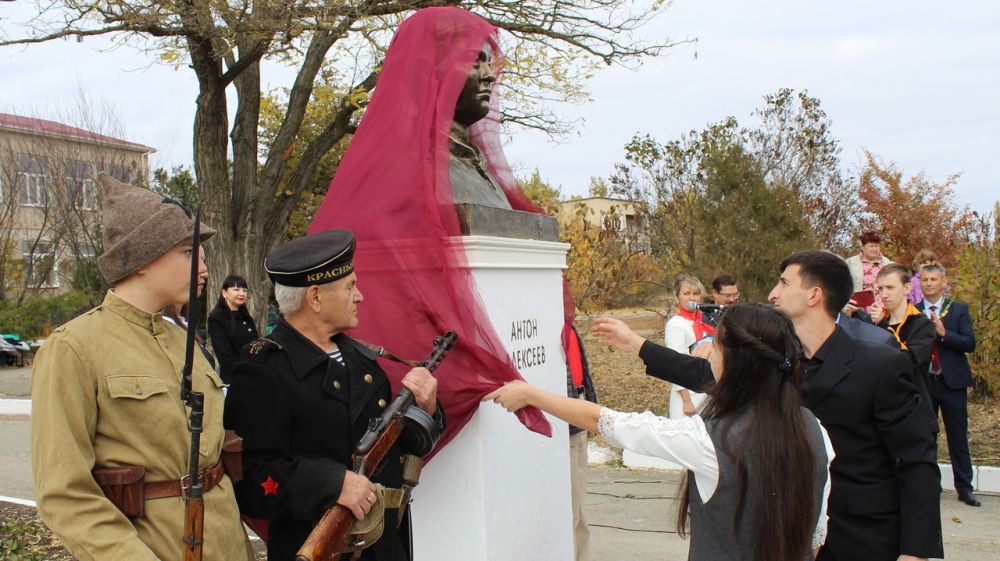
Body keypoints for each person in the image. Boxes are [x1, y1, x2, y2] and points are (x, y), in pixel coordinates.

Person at [597, 250, 943, 561]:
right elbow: (706, 372)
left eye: (783, 283)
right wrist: (637, 343)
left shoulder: (880, 364)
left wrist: (914, 552)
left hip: (862, 538)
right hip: (790, 536)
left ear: (814, 294)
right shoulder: (777, 359)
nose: (772, 294)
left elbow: (916, 461)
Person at [487, 304, 834, 561]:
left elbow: (607, 422)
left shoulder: (710, 441)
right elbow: (816, 538)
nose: (708, 350)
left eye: (717, 344)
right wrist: (637, 344)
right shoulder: (814, 428)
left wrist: (531, 394)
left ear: (734, 362)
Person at [30, 174, 255, 560]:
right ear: (142, 261)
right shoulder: (74, 348)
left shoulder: (184, 341)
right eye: (188, 253)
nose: (203, 267)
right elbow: (65, 493)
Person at [224, 229, 444, 561]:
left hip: (385, 546)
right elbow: (253, 480)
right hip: (318, 548)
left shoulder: (360, 358)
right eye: (350, 287)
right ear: (315, 298)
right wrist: (330, 483)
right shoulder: (262, 370)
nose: (360, 296)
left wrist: (426, 408)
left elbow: (400, 449)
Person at [916, 263, 981, 506]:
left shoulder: (958, 310)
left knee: (957, 437)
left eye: (934, 279)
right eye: (925, 280)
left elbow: (969, 343)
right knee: (926, 435)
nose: (929, 284)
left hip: (952, 382)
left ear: (944, 282)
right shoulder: (914, 311)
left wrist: (944, 334)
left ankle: (964, 487)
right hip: (925, 382)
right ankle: (929, 486)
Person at [870, 264, 937, 433]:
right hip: (880, 410)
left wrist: (883, 326)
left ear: (907, 288)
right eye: (880, 289)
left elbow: (908, 360)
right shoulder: (872, 322)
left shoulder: (922, 324)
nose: (884, 294)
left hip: (913, 410)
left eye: (890, 288)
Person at [562, 317, 597, 561]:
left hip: (579, 413)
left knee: (578, 509)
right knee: (570, 511)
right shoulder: (552, 327)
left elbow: (581, 373)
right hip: (567, 420)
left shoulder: (569, 326)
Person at [665, 274, 714, 418]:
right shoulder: (676, 324)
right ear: (677, 297)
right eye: (686, 293)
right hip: (688, 394)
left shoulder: (705, 323)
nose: (692, 297)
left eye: (696, 293)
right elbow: (674, 363)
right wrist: (686, 400)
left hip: (707, 390)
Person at [208, 274, 259, 382]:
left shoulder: (245, 316)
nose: (241, 293)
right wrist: (244, 374)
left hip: (254, 375)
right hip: (234, 378)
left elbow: (255, 343)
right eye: (236, 289)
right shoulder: (217, 317)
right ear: (224, 293)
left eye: (244, 290)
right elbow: (225, 355)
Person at [844, 231, 893, 315]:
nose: (874, 249)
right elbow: (844, 285)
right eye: (871, 246)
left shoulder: (887, 263)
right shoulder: (851, 263)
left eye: (877, 246)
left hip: (883, 310)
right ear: (862, 247)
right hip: (859, 310)